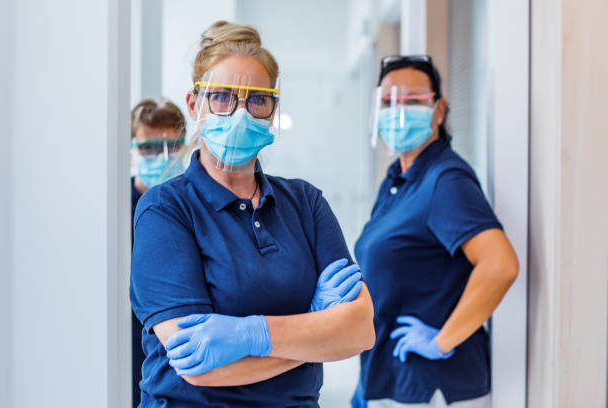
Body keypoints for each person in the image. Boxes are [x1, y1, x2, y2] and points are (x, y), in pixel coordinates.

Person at [130, 21, 375, 407]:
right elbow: (199, 368)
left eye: (257, 100)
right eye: (223, 97)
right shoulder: (166, 209)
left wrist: (252, 334)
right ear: (195, 104)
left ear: (272, 109)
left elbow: (360, 331)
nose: (240, 113)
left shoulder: (306, 203)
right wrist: (315, 331)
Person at [352, 55, 519, 408]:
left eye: (412, 101)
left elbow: (500, 264)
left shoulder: (446, 180)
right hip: (390, 377)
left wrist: (442, 340)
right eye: (387, 101)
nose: (397, 110)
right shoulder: (397, 179)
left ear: (439, 109)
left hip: (431, 386)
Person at [129, 98, 187, 408]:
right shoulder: (115, 212)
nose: (161, 157)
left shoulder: (188, 207)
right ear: (131, 147)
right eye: (148, 148)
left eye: (172, 146)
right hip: (128, 335)